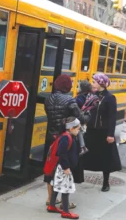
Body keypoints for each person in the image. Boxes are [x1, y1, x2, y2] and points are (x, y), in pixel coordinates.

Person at [44, 74, 89, 207]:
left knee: (51, 167)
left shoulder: (48, 99)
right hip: (65, 138)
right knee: (65, 169)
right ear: (67, 86)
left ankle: (50, 198)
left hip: (51, 137)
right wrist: (88, 115)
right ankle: (65, 202)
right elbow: (80, 118)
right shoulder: (69, 100)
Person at [83, 73, 122, 192]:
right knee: (82, 154)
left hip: (103, 133)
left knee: (106, 158)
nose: (92, 84)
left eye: (94, 82)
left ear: (101, 83)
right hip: (91, 130)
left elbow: (112, 117)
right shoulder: (91, 95)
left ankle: (106, 182)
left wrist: (110, 134)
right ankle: (77, 176)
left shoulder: (110, 98)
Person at [47, 117, 81, 219]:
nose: (79, 131)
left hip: (61, 167)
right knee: (66, 189)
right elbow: (61, 153)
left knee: (57, 186)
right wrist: (66, 167)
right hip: (64, 168)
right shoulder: (66, 138)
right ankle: (65, 211)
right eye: (78, 128)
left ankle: (52, 205)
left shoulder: (66, 136)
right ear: (71, 128)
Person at [75, 81, 99, 156]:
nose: (77, 88)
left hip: (80, 120)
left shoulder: (79, 98)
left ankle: (82, 147)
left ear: (82, 88)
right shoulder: (92, 96)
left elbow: (76, 110)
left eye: (78, 87)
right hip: (88, 120)